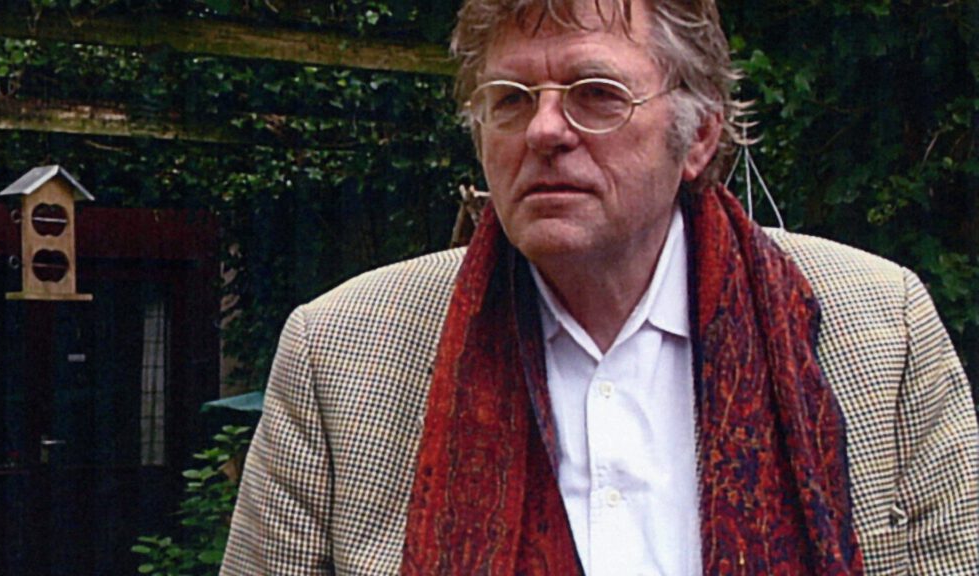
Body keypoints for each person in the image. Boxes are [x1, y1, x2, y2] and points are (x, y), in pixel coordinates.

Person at [221, 0, 978, 574]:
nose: (545, 130)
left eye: (596, 93)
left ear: (699, 135)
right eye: (511, 98)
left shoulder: (879, 328)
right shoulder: (341, 352)